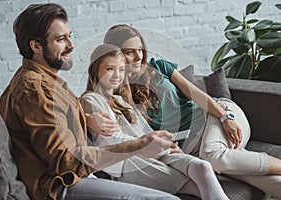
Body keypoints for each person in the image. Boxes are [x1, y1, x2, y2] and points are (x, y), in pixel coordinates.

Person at [0, 4, 186, 200]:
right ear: (36, 46)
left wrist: (85, 118)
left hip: (78, 177)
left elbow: (54, 121)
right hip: (58, 187)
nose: (71, 45)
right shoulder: (35, 89)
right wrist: (137, 146)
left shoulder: (47, 81)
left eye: (70, 36)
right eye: (61, 39)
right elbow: (66, 162)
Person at [84, 24, 281, 198]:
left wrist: (224, 116)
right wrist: (85, 117)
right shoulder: (115, 95)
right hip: (192, 147)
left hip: (215, 117)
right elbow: (77, 105)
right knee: (266, 182)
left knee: (215, 157)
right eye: (129, 52)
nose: (138, 57)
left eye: (140, 50)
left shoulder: (159, 67)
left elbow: (196, 93)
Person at [81, 44, 230, 200]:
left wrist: (168, 145)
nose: (117, 75)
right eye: (110, 69)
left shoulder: (121, 100)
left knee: (202, 166)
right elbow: (111, 140)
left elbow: (144, 132)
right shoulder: (91, 100)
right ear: (95, 70)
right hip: (128, 164)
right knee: (196, 188)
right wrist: (154, 145)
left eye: (121, 69)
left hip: (151, 153)